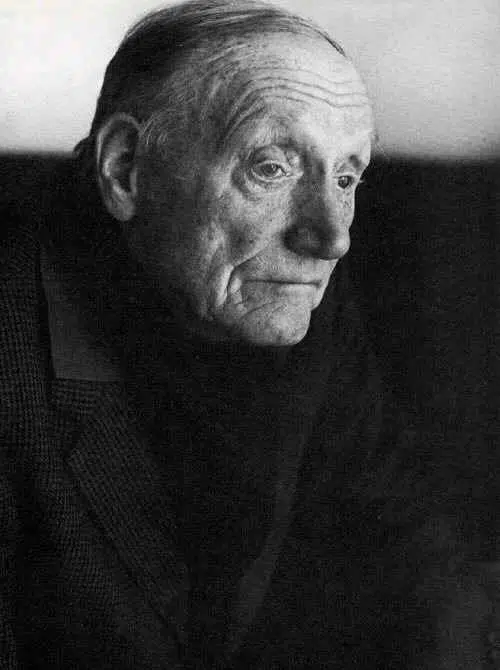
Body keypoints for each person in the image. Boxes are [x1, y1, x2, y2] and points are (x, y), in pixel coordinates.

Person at [0, 1, 497, 668]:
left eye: (346, 176)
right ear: (125, 170)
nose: (332, 238)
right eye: (271, 167)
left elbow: (409, 548)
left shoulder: (287, 292)